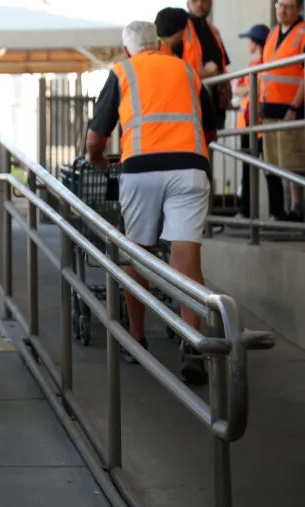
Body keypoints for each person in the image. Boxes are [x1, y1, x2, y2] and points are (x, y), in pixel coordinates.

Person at [86, 21, 218, 384]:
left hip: (141, 169)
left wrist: (97, 157)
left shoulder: (123, 71)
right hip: (191, 166)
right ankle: (193, 345)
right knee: (186, 255)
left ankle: (136, 338)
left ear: (128, 49)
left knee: (138, 252)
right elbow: (212, 129)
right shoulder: (186, 69)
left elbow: (97, 135)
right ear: (158, 44)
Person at [235, 24, 285, 220]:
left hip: (263, 125)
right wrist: (252, 89)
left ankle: (276, 212)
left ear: (256, 42)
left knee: (272, 170)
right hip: (250, 126)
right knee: (252, 169)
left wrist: (250, 88)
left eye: (249, 39)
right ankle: (249, 211)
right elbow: (238, 89)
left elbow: (244, 88)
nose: (248, 43)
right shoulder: (255, 65)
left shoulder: (263, 66)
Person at [260, 0, 305, 222]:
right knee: (272, 162)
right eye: (279, 5)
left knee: (293, 161)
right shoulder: (273, 32)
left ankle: (297, 208)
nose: (282, 10)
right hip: (269, 107)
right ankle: (277, 211)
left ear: (299, 9)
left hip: (291, 109)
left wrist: (294, 106)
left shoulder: (303, 32)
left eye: (288, 6)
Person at [183, 0, 231, 128]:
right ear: (187, 3)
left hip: (215, 102)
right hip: (192, 100)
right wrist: (204, 72)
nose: (199, 4)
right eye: (194, 1)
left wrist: (226, 85)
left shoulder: (214, 31)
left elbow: (222, 63)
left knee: (212, 144)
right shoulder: (180, 31)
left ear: (210, 3)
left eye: (204, 1)